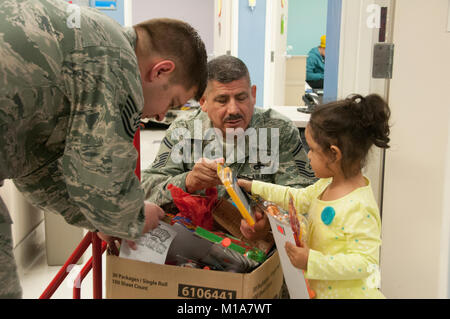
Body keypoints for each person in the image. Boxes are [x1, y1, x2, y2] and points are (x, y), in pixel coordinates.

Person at [0, 0, 207, 298]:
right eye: (172, 103)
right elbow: (102, 172)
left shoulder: (92, 40)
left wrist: (103, 219)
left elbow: (37, 172)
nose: (162, 117)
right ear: (160, 71)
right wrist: (132, 216)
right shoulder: (117, 61)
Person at [142, 55, 316, 235]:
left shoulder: (279, 130)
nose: (233, 110)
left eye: (241, 98)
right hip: (198, 242)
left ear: (253, 94)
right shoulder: (184, 131)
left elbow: (307, 198)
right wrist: (188, 181)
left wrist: (271, 220)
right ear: (203, 101)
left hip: (266, 250)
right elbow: (146, 191)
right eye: (222, 100)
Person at [238, 94, 390, 299]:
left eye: (313, 149)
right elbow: (297, 198)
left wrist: (311, 261)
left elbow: (365, 263)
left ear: (334, 154)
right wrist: (254, 186)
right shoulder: (327, 184)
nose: (308, 155)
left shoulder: (359, 206)